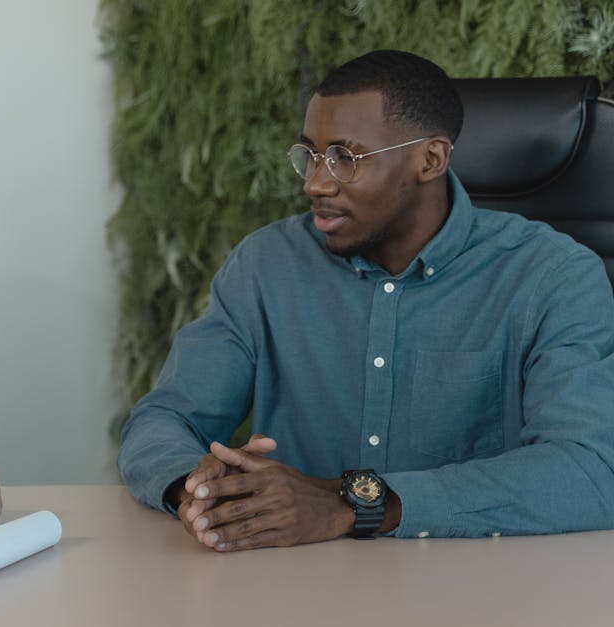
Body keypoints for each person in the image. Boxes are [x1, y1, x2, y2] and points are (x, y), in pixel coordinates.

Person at [118, 49, 614, 551]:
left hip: (475, 578)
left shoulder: (552, 276)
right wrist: (203, 490)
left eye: (345, 158)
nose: (316, 182)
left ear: (430, 160)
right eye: (310, 155)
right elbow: (164, 420)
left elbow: (592, 469)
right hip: (291, 575)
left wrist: (350, 503)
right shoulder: (266, 265)